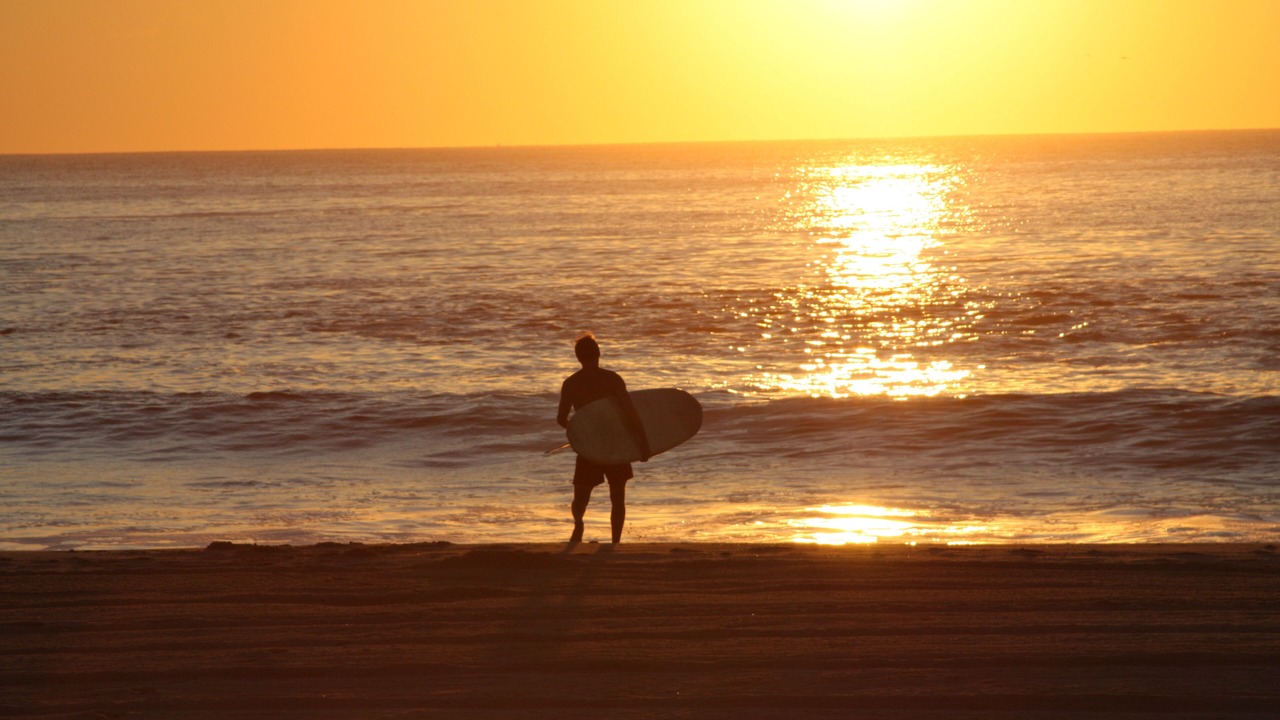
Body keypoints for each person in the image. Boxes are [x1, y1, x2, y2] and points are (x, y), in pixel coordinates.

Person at [556, 332, 650, 544]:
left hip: (589, 445)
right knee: (617, 496)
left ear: (578, 357)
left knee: (581, 495)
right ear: (598, 353)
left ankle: (579, 523)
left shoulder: (571, 383)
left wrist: (578, 432)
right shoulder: (612, 379)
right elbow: (630, 413)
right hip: (617, 442)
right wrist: (643, 444)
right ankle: (615, 541)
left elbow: (561, 419)